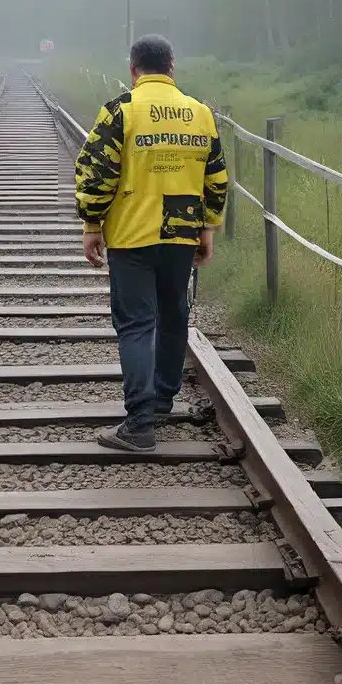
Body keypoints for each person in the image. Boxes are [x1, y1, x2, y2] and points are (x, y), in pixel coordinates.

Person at [75, 34, 228, 452]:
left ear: (133, 69)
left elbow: (96, 172)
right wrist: (208, 227)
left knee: (137, 323)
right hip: (182, 232)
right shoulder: (200, 113)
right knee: (174, 314)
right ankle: (162, 399)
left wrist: (91, 223)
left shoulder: (121, 111)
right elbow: (216, 177)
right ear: (172, 67)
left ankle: (140, 424)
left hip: (132, 235)